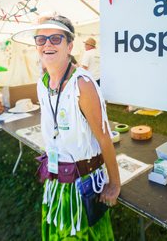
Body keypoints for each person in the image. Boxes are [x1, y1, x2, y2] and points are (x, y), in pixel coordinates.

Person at [33, 15, 120, 240]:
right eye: (41, 39)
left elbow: (104, 137)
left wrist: (115, 183)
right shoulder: (43, 84)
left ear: (69, 45)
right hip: (56, 178)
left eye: (55, 38)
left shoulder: (82, 84)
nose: (47, 44)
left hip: (82, 184)